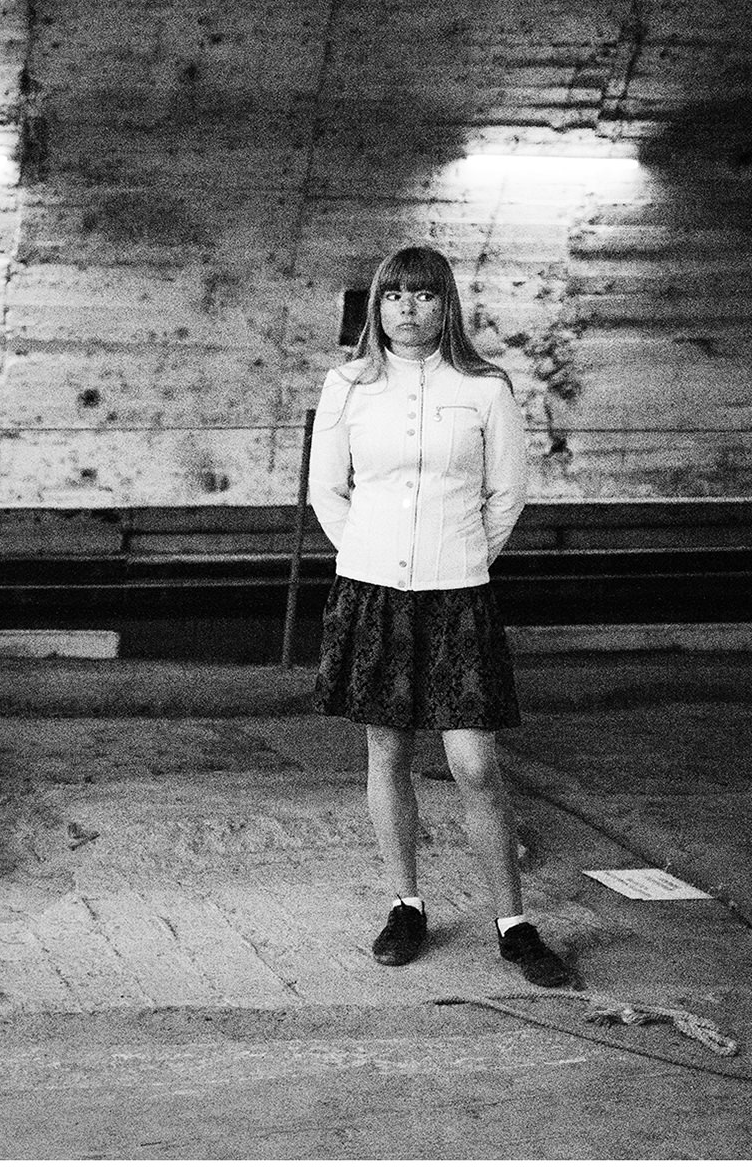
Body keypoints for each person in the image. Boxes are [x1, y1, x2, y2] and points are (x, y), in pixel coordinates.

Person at [306, 244, 578, 990]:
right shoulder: (348, 385)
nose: (409, 308)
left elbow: (506, 494)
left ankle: (513, 925)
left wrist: (460, 555)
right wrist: (368, 553)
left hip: (458, 594)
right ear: (378, 306)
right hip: (373, 592)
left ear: (445, 305)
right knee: (387, 752)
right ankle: (406, 906)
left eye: (424, 295)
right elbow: (329, 490)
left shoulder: (484, 387)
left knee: (474, 764)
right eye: (395, 295)